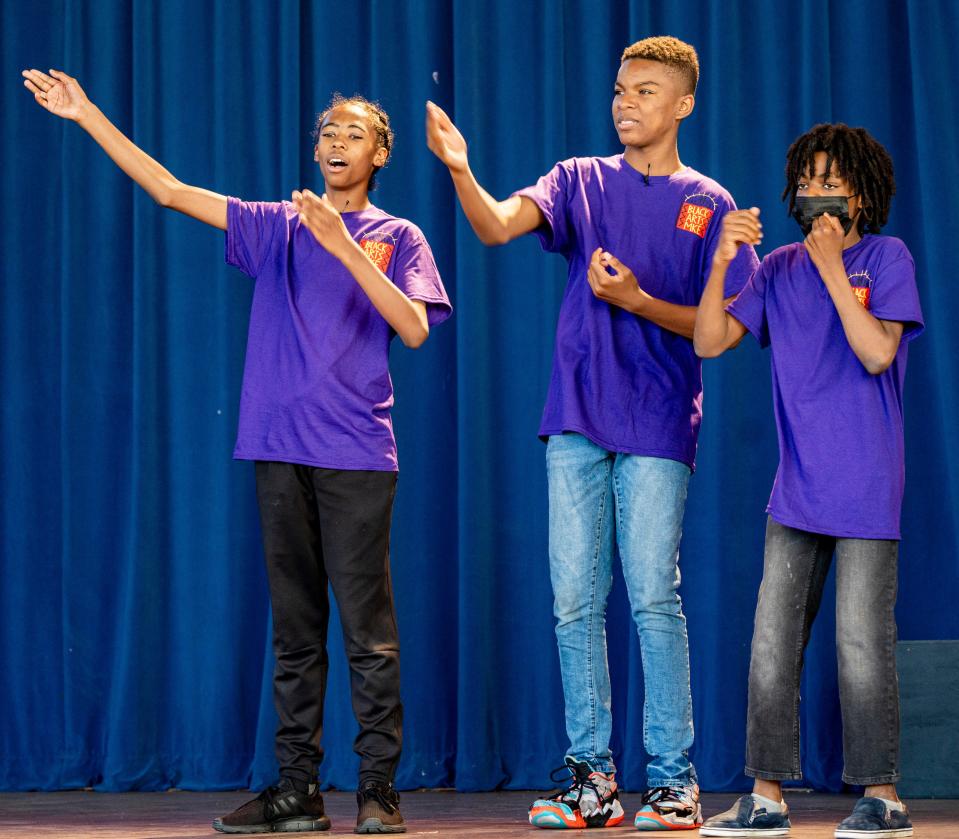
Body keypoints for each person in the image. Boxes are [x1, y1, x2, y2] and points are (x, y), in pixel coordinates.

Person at [22, 67, 451, 835]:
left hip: (355, 454)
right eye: (327, 132)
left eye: (352, 133)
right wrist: (86, 114)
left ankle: (378, 791)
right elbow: (168, 189)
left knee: (368, 633)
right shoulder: (275, 225)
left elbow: (413, 329)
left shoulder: (396, 237)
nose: (335, 142)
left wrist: (343, 247)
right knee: (293, 632)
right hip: (276, 448)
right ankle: (296, 791)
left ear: (380, 152)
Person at [425, 36, 758, 831]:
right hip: (576, 416)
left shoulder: (710, 202)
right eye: (618, 89)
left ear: (681, 104)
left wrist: (641, 300)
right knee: (574, 600)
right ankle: (592, 780)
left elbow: (719, 333)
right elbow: (498, 226)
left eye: (645, 91)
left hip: (657, 419)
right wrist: (461, 169)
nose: (625, 102)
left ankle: (674, 780)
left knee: (651, 596)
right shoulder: (579, 178)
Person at [694, 123, 922, 838]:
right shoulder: (776, 267)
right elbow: (707, 340)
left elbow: (877, 352)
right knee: (771, 640)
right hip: (795, 488)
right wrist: (723, 257)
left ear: (861, 192)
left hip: (863, 483)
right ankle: (765, 797)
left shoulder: (885, 257)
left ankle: (881, 796)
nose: (817, 191)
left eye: (832, 179)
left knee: (859, 641)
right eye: (807, 179)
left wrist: (832, 269)